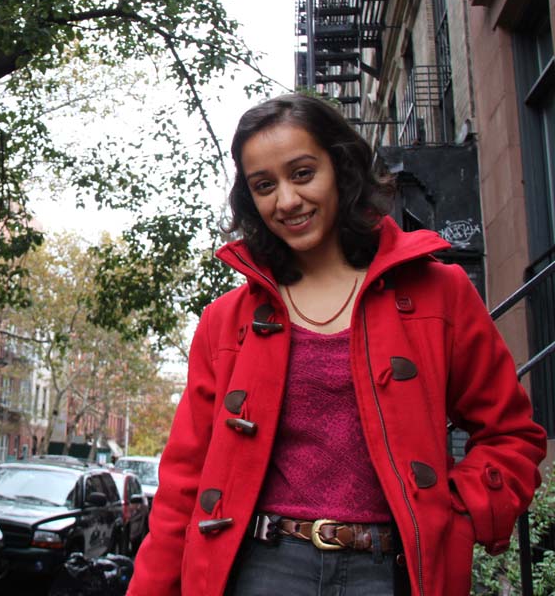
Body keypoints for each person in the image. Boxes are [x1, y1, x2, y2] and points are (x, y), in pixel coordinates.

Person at [127, 94, 546, 595]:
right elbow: (182, 484)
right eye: (265, 186)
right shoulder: (226, 323)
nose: (286, 200)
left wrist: (454, 512)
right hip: (259, 571)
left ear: (341, 169)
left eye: (302, 173)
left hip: (391, 574)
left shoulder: (441, 293)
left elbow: (511, 436)